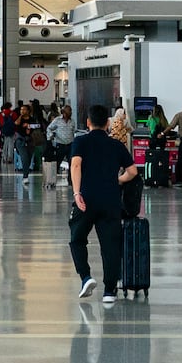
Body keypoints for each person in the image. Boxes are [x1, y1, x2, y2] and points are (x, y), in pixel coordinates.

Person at [70, 105, 139, 306]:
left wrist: (77, 193)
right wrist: (119, 181)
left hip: (86, 199)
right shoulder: (116, 145)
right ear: (108, 124)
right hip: (110, 200)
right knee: (110, 245)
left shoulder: (80, 141)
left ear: (88, 123)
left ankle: (85, 277)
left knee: (77, 238)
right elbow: (133, 171)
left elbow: (76, 165)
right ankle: (109, 291)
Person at [45, 106, 76, 188]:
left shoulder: (72, 121)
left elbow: (73, 131)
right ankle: (51, 181)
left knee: (71, 163)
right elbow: (49, 128)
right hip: (60, 144)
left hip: (70, 145)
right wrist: (50, 136)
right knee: (57, 163)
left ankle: (71, 181)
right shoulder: (57, 120)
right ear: (64, 113)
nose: (71, 112)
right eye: (69, 111)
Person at [13, 104, 35, 183]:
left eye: (24, 109)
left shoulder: (32, 119)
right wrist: (20, 116)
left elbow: (37, 126)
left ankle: (26, 172)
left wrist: (29, 126)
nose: (22, 111)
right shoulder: (19, 119)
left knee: (28, 158)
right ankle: (25, 176)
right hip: (20, 141)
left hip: (30, 141)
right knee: (24, 157)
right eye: (21, 110)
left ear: (28, 111)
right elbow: (16, 123)